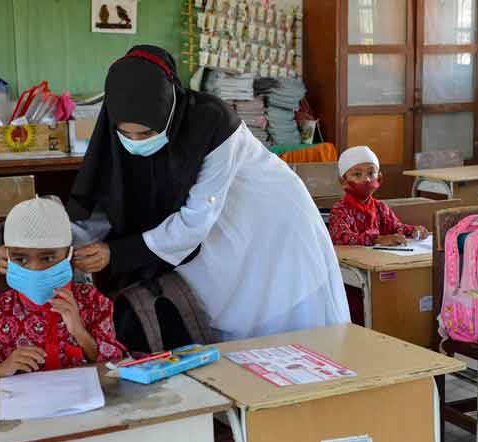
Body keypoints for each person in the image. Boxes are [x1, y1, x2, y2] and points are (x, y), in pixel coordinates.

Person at [68, 45, 348, 345]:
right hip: (210, 230)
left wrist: (117, 253)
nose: (135, 142)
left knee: (280, 320)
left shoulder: (213, 123)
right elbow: (109, 199)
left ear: (168, 111)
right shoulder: (116, 133)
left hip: (269, 225)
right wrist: (64, 243)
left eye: (146, 134)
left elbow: (195, 220)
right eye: (126, 134)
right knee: (229, 330)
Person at [0, 198, 126, 383]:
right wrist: (2, 369)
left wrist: (79, 331)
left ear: (69, 254)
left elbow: (116, 367)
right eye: (21, 259)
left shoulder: (93, 303)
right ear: (7, 258)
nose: (35, 269)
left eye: (47, 258)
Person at [328, 146, 429, 246]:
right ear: (343, 182)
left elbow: (396, 227)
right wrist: (377, 239)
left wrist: (413, 231)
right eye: (357, 174)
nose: (366, 179)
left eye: (371, 173)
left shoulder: (381, 208)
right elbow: (340, 237)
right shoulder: (340, 210)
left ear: (379, 179)